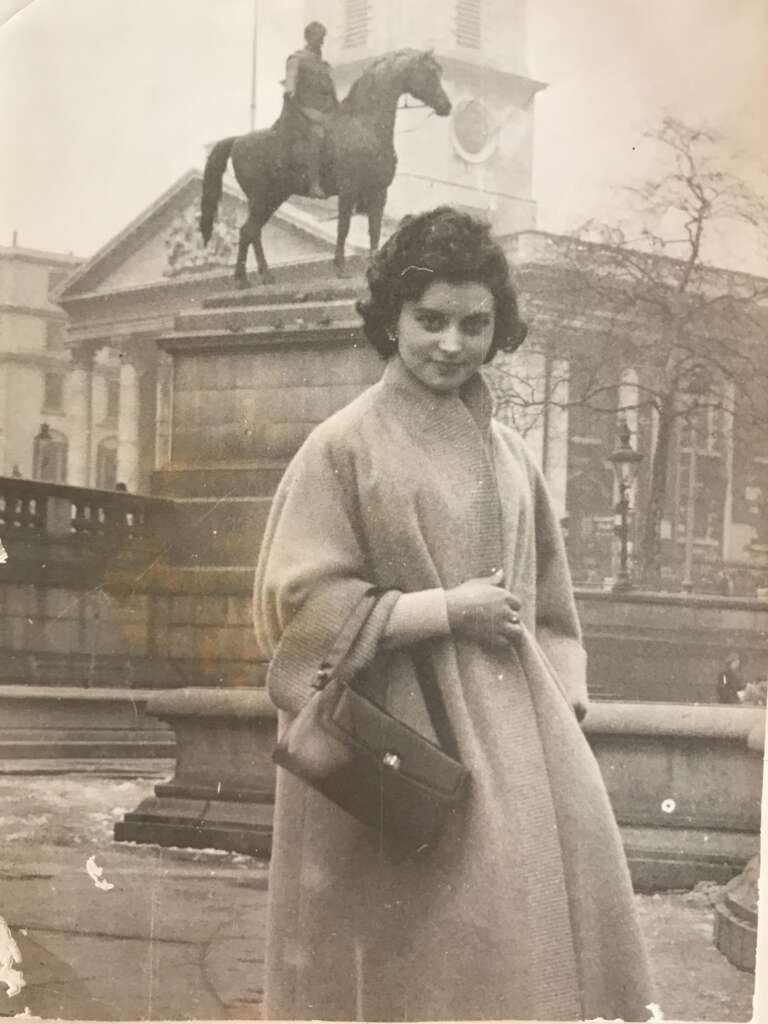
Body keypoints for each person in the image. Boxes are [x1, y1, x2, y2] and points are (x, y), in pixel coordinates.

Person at [253, 207, 654, 1021]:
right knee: (413, 953)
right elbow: (292, 611)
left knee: (516, 952)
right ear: (391, 322)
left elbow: (552, 600)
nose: (451, 343)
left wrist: (561, 700)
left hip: (518, 744)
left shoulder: (511, 454)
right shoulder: (342, 445)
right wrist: (444, 610)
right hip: (388, 741)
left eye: (476, 324)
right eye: (429, 320)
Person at [282, 21, 338, 199]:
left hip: (326, 114)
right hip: (304, 112)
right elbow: (291, 76)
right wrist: (289, 89)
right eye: (319, 37)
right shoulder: (297, 58)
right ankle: (314, 183)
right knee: (317, 134)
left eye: (323, 37)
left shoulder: (325, 65)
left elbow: (332, 92)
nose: (322, 41)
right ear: (308, 37)